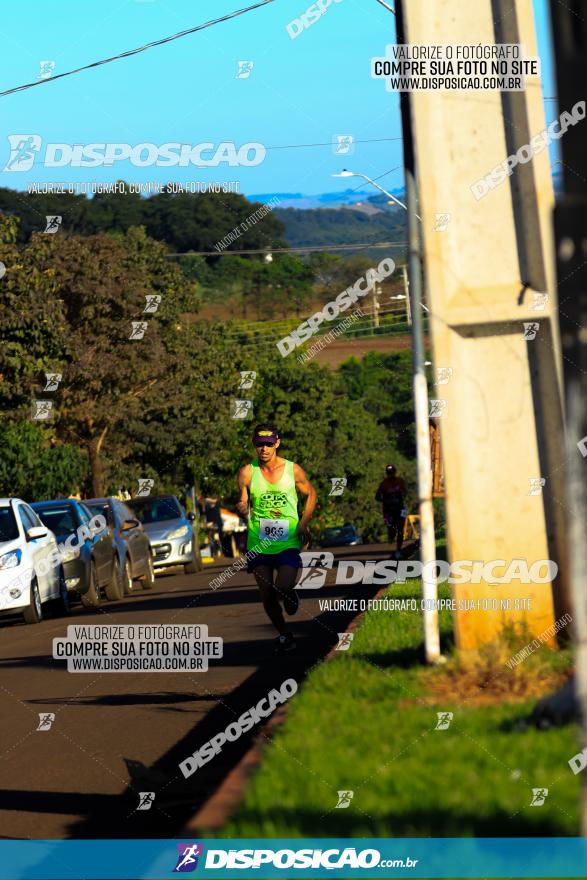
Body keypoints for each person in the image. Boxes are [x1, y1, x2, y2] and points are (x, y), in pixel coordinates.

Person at [236, 423, 316, 653]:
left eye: (269, 443)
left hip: (288, 539)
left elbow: (311, 493)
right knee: (267, 594)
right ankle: (284, 634)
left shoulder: (293, 470)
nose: (264, 448)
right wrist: (242, 506)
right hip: (258, 542)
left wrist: (303, 523)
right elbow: (243, 499)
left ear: (277, 443)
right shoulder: (247, 472)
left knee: (282, 585)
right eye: (260, 444)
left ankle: (290, 593)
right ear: (254, 445)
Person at [375, 464, 407, 559]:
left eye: (392, 473)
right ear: (386, 473)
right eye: (389, 473)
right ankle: (391, 535)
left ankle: (398, 550)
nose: (391, 475)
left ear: (395, 472)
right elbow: (377, 496)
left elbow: (405, 492)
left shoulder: (400, 481)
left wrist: (400, 497)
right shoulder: (383, 484)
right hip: (388, 510)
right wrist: (385, 500)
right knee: (392, 529)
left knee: (400, 529)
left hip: (400, 508)